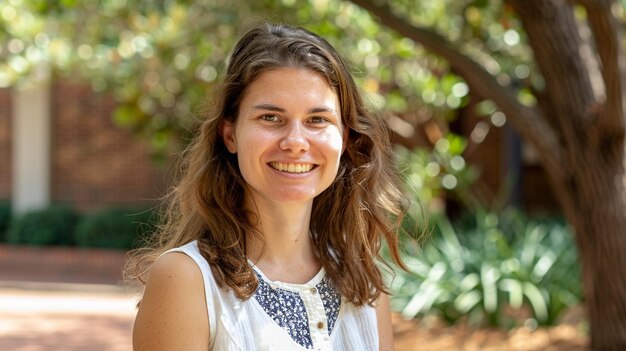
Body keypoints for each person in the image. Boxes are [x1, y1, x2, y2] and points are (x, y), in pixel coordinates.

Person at [129, 22, 408, 351]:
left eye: (317, 119)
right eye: (271, 118)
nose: (295, 142)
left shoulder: (363, 283)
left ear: (344, 138)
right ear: (230, 134)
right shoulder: (186, 279)